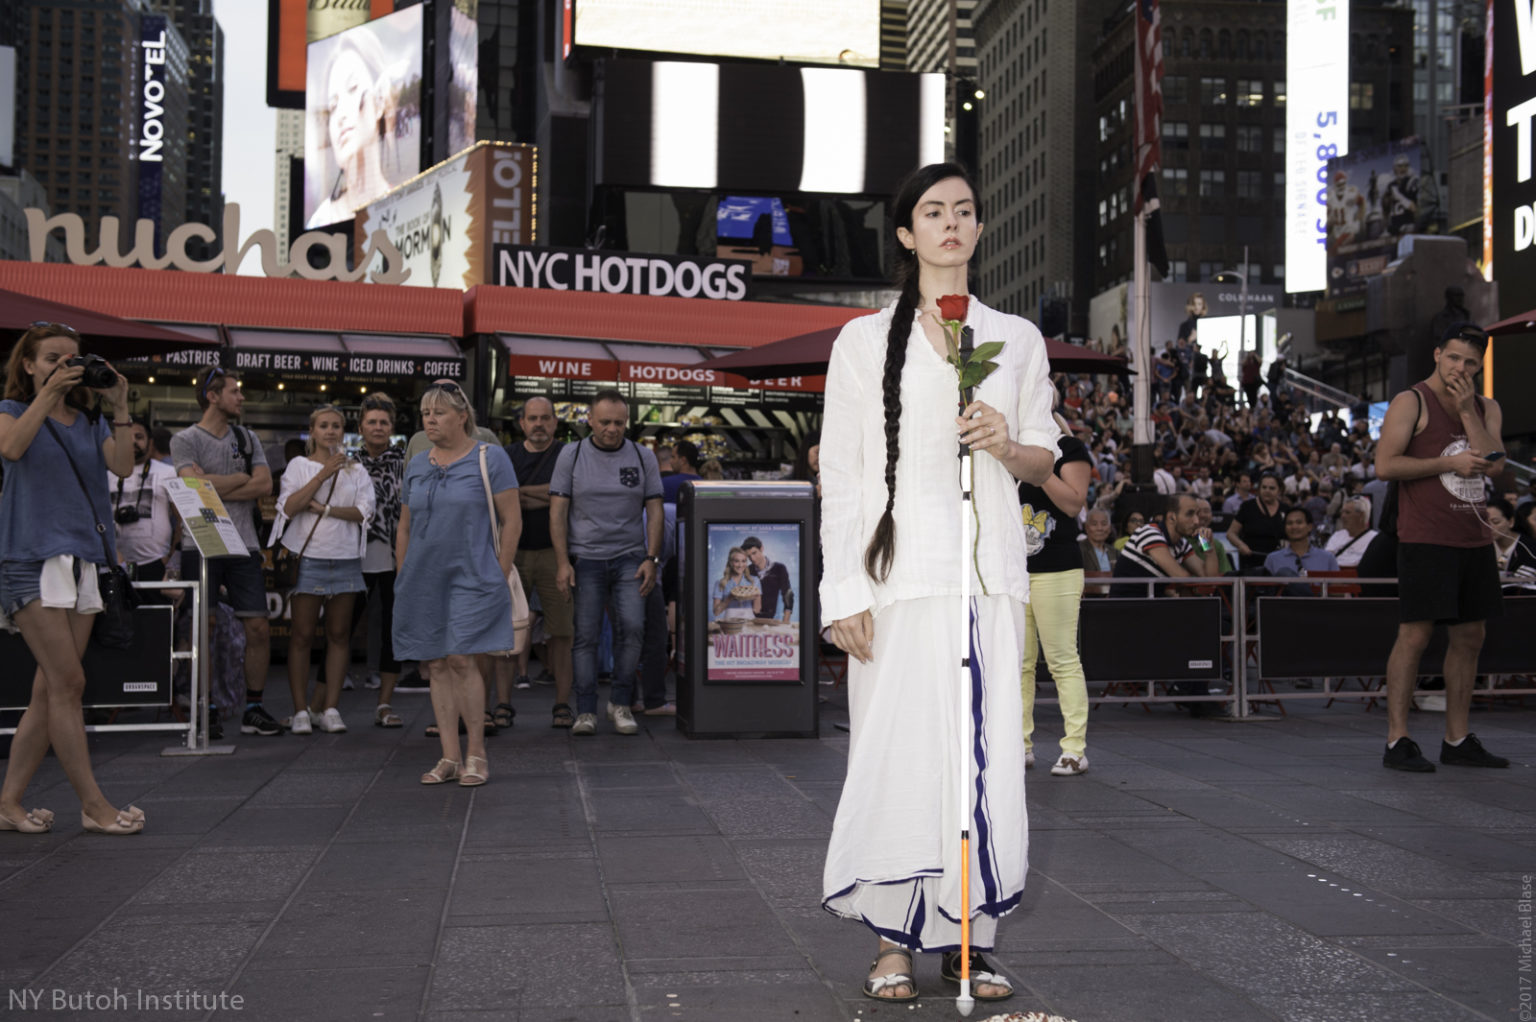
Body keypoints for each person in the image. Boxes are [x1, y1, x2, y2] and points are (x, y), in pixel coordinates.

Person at [819, 163, 1059, 1003]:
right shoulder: (860, 342)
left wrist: (1004, 442)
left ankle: (970, 941)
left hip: (987, 583)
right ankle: (892, 943)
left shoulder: (1016, 338)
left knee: (983, 764)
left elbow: (1045, 459)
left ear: (980, 228)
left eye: (963, 210)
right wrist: (842, 592)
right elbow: (843, 477)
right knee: (898, 759)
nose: (950, 223)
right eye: (932, 211)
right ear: (906, 233)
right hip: (897, 582)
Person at [0, 323, 145, 834]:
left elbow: (123, 467)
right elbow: (11, 449)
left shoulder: (89, 421)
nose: (66, 367)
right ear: (28, 365)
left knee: (49, 691)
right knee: (69, 683)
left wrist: (120, 406)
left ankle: (8, 803)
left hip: (85, 560)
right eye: (53, 359)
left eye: (73, 360)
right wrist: (48, 394)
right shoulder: (11, 410)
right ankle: (93, 805)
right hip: (30, 558)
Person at [1374, 325, 1507, 772]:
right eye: (1453, 358)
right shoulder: (1411, 401)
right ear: (1437, 354)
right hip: (1426, 535)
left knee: (1471, 636)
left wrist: (1467, 411)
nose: (1459, 369)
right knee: (1415, 634)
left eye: (1469, 363)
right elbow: (1385, 465)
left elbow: (1495, 464)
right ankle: (1398, 739)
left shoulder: (1486, 407)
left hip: (1473, 536)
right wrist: (1448, 462)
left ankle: (1457, 737)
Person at [394, 382, 520, 787]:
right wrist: (402, 574)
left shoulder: (490, 457)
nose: (429, 420)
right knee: (435, 663)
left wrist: (499, 572)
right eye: (425, 413)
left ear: (462, 417)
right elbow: (404, 526)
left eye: (439, 413)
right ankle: (449, 756)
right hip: (422, 577)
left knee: (462, 659)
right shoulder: (417, 463)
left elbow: (512, 520)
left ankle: (476, 753)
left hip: (473, 575)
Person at [172, 368, 281, 737]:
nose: (242, 397)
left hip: (244, 542)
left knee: (258, 627)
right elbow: (189, 484)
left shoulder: (246, 437)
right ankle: (207, 707)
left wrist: (211, 483)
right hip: (200, 540)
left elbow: (264, 485)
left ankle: (254, 707)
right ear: (212, 396)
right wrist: (238, 479)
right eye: (235, 391)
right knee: (204, 626)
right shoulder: (185, 439)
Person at [550, 389, 664, 737]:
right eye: (604, 422)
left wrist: (651, 558)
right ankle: (586, 710)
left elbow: (655, 510)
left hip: (630, 556)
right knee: (585, 636)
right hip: (585, 558)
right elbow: (558, 512)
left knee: (632, 630)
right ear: (589, 420)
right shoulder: (572, 454)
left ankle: (620, 702)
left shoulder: (643, 455)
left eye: (619, 422)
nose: (612, 429)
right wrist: (562, 562)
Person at [270, 405, 374, 735]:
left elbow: (364, 512)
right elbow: (289, 507)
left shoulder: (357, 470)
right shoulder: (298, 466)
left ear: (344, 431)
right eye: (324, 426)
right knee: (301, 635)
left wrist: (325, 509)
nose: (330, 431)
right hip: (308, 557)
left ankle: (330, 708)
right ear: (312, 431)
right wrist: (323, 474)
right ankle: (301, 711)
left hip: (345, 556)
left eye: (336, 426)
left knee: (339, 635)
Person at [1018, 420, 1093, 776]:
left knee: (1062, 659)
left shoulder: (1068, 447)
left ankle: (1074, 749)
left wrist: (1040, 467)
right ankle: (1020, 744)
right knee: (1019, 663)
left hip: (1057, 567)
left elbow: (1073, 503)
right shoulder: (1009, 446)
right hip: (1014, 568)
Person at [502, 396, 574, 728]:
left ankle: (562, 705)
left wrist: (522, 493)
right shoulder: (507, 456)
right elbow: (505, 501)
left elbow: (568, 497)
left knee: (562, 633)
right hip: (513, 552)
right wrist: (549, 494)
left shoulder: (566, 454)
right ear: (522, 423)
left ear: (555, 422)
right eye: (532, 418)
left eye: (545, 418)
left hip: (555, 554)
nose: (539, 424)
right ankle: (502, 705)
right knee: (507, 632)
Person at [307, 29, 408, 227]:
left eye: (353, 88)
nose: (340, 115)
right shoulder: (319, 224)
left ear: (379, 102)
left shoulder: (407, 210)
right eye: (333, 106)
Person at [352, 392, 406, 728]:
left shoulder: (406, 463)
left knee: (391, 633)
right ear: (360, 427)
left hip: (394, 559)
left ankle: (384, 704)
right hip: (352, 558)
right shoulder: (347, 465)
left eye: (384, 422)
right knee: (339, 631)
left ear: (392, 427)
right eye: (371, 421)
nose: (378, 427)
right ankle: (323, 705)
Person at [108, 417, 181, 590]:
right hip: (115, 564)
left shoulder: (169, 472)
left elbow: (182, 520)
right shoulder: (106, 474)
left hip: (157, 562)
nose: (133, 441)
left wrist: (170, 559)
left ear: (151, 442)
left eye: (139, 437)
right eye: (127, 437)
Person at [1263, 506, 1339, 592]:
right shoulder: (1273, 559)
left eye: (1299, 522)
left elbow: (1338, 592)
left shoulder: (1327, 558)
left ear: (1310, 527)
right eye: (1289, 523)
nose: (1294, 527)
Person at [1226, 473, 1287, 571]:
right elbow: (1231, 533)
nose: (1267, 491)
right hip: (1251, 561)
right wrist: (1240, 545)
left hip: (1277, 562)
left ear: (1279, 490)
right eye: (1264, 487)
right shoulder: (1247, 507)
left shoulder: (1286, 509)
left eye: (1271, 488)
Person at [744, 535, 793, 622]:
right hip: (748, 619)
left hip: (771, 620)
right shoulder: (747, 571)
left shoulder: (779, 568)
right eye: (749, 556)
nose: (752, 558)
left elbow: (788, 595)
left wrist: (785, 623)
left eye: (754, 553)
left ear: (761, 548)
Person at [1324, 496, 1378, 568]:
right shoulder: (1337, 536)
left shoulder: (1375, 539)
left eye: (1347, 512)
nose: (1342, 516)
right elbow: (1326, 560)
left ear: (1361, 516)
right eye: (1342, 512)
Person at [710, 548, 760, 619]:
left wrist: (756, 597)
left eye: (743, 561)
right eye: (736, 561)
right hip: (729, 622)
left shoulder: (754, 581)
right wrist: (730, 597)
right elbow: (716, 612)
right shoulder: (720, 583)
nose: (740, 565)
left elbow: (757, 610)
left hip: (749, 621)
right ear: (730, 562)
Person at [1078, 508, 1118, 574]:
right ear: (1086, 527)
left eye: (1104, 524)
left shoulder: (1115, 552)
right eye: (1094, 524)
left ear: (1110, 528)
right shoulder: (1078, 550)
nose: (1099, 528)